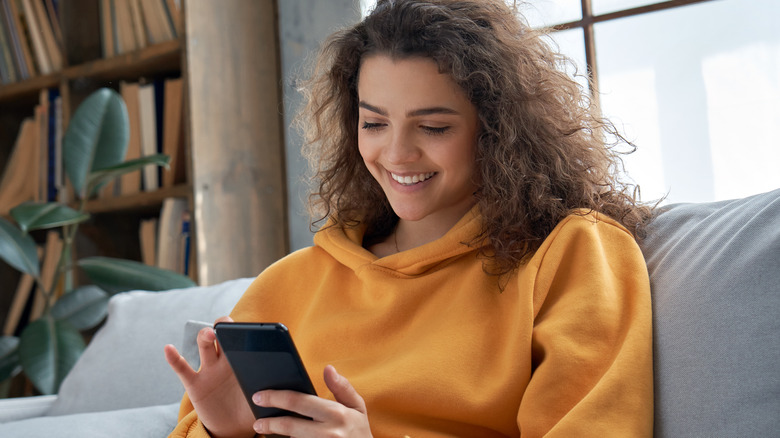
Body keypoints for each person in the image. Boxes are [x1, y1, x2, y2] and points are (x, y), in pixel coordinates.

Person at [165, 0, 654, 436]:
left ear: (497, 129)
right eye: (374, 123)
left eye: (434, 126)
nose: (397, 154)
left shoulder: (570, 254)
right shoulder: (289, 284)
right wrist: (224, 434)